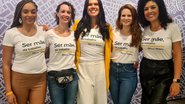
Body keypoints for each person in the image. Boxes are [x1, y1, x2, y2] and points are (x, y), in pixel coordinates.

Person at [2, 0, 47, 104]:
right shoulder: (11, 33)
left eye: (33, 11)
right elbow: (5, 64)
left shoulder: (43, 31)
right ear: (20, 13)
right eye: (25, 11)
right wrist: (8, 91)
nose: (30, 15)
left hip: (40, 80)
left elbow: (46, 52)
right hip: (19, 80)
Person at [137, 0, 182, 104]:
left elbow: (178, 55)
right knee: (146, 100)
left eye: (153, 7)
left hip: (164, 72)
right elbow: (137, 49)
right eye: (146, 9)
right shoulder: (145, 30)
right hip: (146, 71)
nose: (149, 11)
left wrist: (176, 81)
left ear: (160, 8)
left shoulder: (172, 27)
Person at [72, 0, 113, 104]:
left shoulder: (107, 28)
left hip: (100, 68)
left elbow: (113, 48)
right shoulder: (78, 25)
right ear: (86, 7)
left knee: (100, 101)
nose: (93, 6)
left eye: (96, 4)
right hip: (83, 68)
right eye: (90, 4)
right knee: (85, 101)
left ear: (100, 7)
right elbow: (66, 37)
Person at [46, 2, 78, 104]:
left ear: (71, 15)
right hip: (54, 77)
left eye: (69, 12)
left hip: (72, 76)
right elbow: (44, 54)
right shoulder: (49, 34)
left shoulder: (75, 35)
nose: (66, 14)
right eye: (63, 11)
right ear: (57, 14)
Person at [110, 4, 142, 104]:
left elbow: (142, 49)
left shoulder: (140, 34)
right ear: (119, 17)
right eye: (123, 15)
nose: (126, 18)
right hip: (112, 72)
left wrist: (134, 59)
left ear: (134, 18)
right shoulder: (113, 32)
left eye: (129, 15)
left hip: (128, 73)